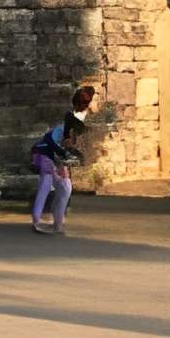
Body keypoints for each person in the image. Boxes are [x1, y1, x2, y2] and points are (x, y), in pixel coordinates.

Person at [28, 83, 98, 235]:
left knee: (65, 187)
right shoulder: (61, 129)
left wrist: (75, 157)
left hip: (56, 158)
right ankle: (37, 221)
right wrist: (61, 156)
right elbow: (50, 142)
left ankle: (58, 223)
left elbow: (68, 151)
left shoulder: (73, 136)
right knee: (46, 184)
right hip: (44, 154)